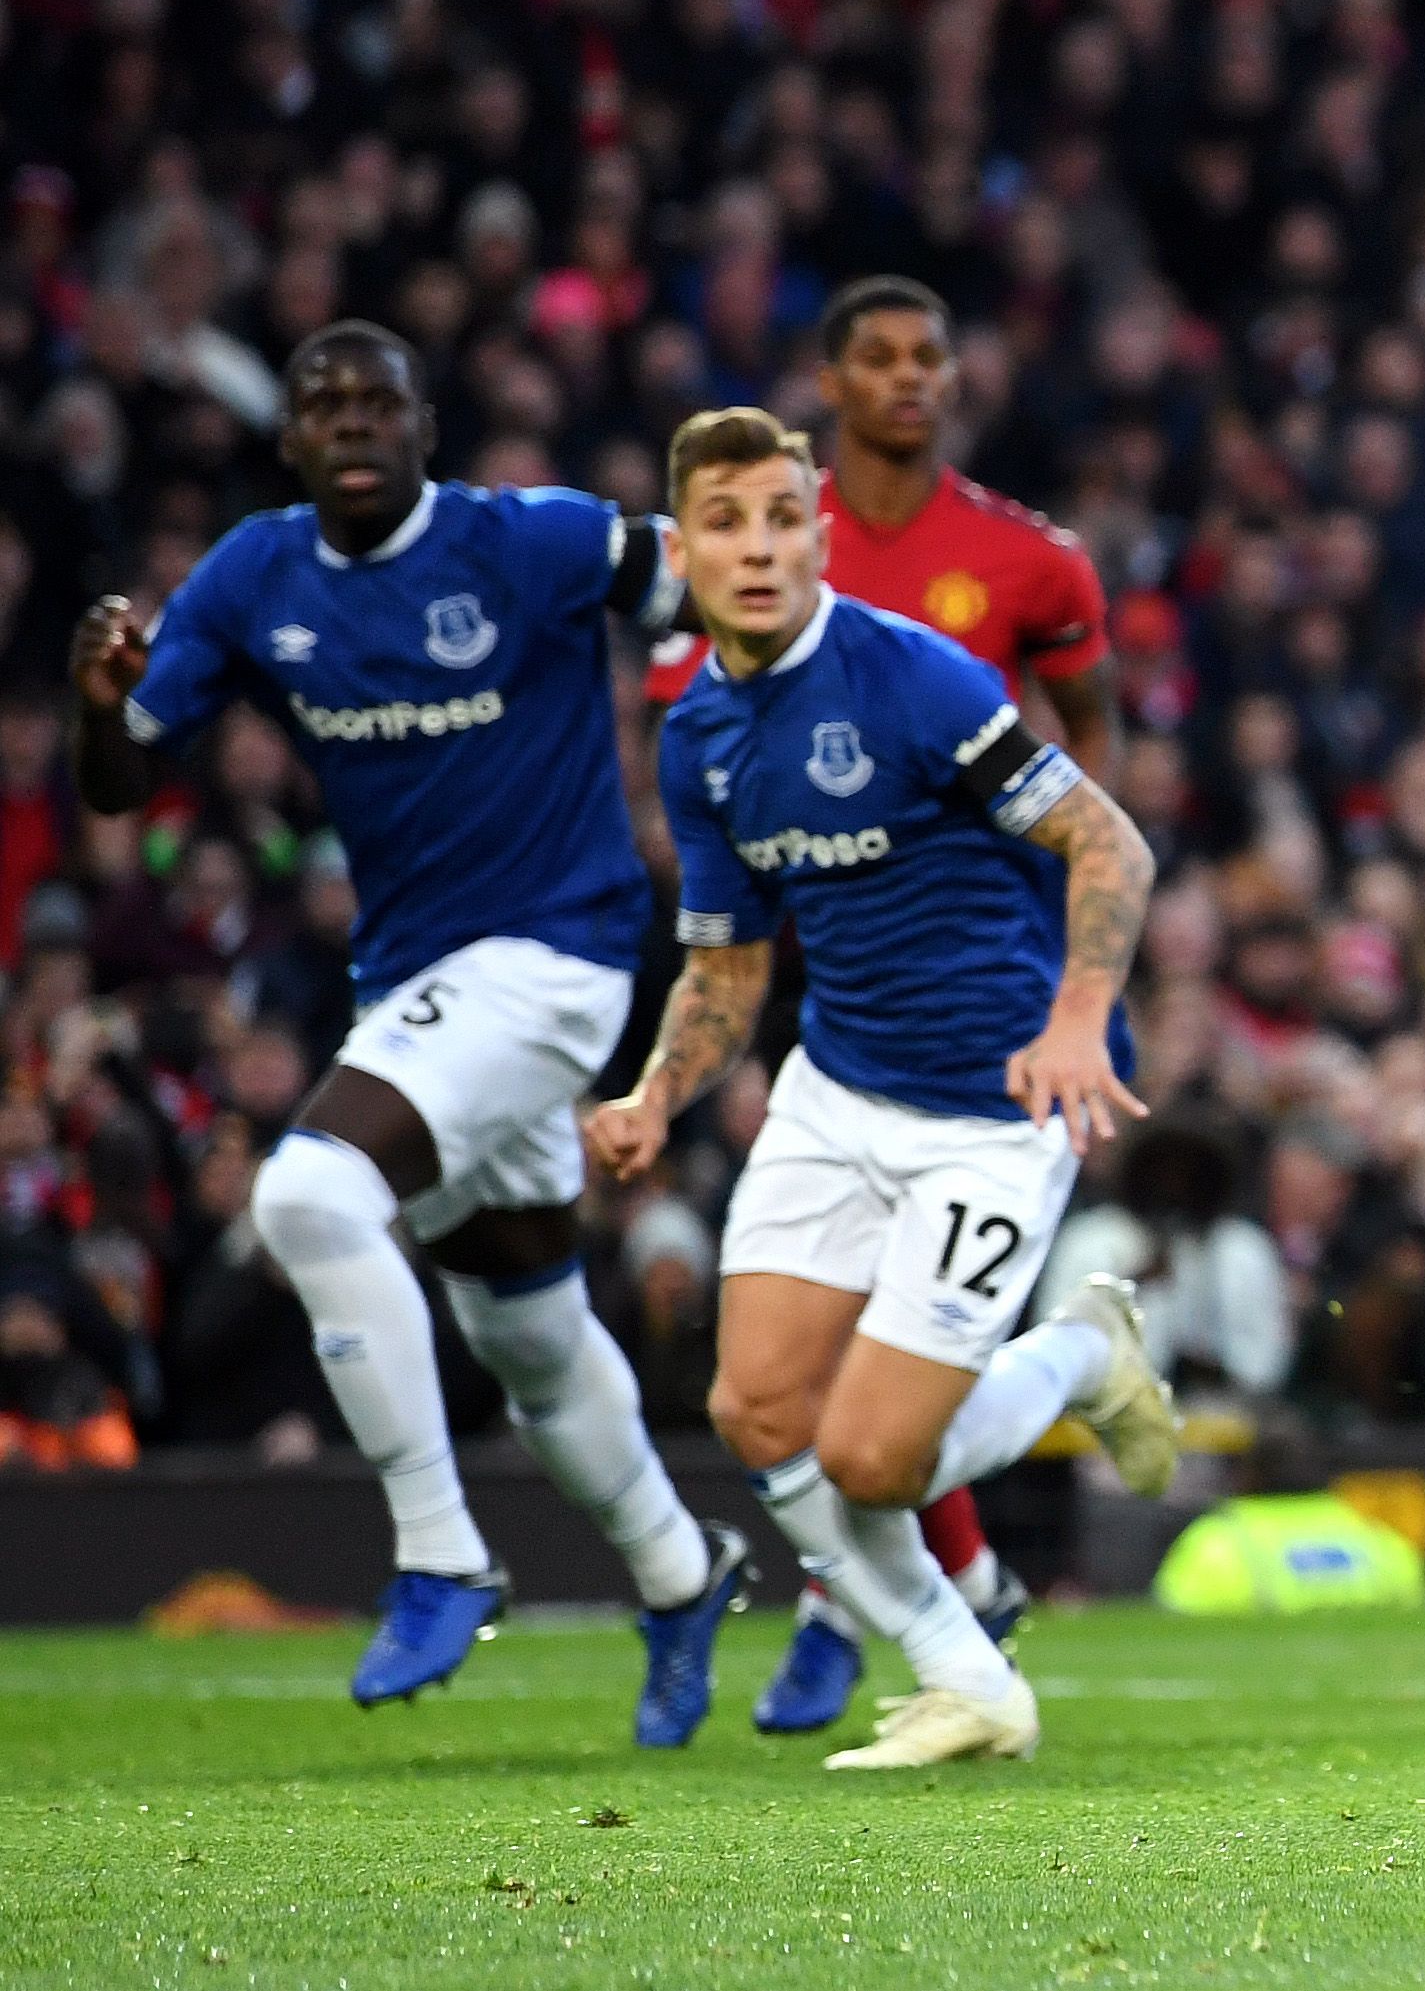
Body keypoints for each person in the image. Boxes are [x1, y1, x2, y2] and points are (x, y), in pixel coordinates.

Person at [66, 321, 747, 1740]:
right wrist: (98, 708)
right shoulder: (257, 574)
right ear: (293, 440)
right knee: (531, 1336)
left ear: (427, 423)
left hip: (557, 959)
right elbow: (127, 779)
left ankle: (440, 1551)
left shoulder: (534, 540)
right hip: (420, 993)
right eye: (326, 405)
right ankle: (687, 1577)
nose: (356, 423)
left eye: (382, 400)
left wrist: (712, 694)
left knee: (309, 1189)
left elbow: (715, 582)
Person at [585, 409, 1178, 1770]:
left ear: (818, 532)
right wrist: (655, 1096)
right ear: (683, 545)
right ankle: (970, 1680)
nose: (757, 547)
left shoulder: (916, 678)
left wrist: (1080, 1017)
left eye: (782, 518)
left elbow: (1110, 842)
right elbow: (729, 970)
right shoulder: (701, 732)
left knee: (872, 1461)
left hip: (994, 1104)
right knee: (753, 1411)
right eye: (726, 522)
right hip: (838, 1092)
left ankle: (1084, 1351)